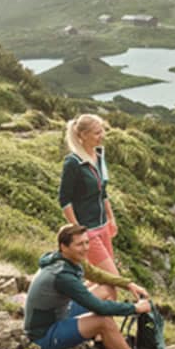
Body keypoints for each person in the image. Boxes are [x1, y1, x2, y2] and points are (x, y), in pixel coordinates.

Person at [24, 223, 172, 349]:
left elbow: (96, 274)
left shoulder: (68, 259)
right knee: (103, 321)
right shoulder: (62, 276)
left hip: (60, 313)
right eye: (80, 244)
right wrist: (134, 308)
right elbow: (98, 307)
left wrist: (128, 284)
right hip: (46, 332)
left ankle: (106, 346)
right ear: (63, 246)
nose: (85, 248)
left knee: (107, 288)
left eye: (87, 242)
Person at [59, 113, 122, 299]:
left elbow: (103, 192)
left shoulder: (99, 156)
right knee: (112, 280)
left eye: (102, 130)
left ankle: (89, 321)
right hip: (88, 232)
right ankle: (72, 311)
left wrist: (111, 218)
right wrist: (79, 231)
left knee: (98, 280)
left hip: (103, 228)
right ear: (83, 135)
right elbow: (64, 200)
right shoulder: (73, 163)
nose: (101, 135)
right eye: (96, 132)